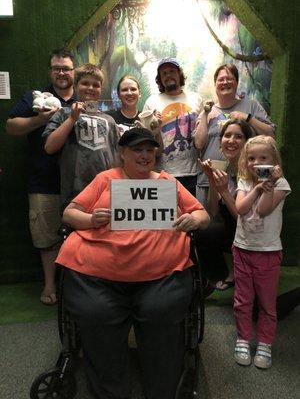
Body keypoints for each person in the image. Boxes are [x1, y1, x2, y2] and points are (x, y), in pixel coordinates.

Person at [56, 127, 210, 399]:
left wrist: (193, 220)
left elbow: (202, 214)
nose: (145, 155)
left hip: (161, 275)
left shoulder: (166, 182)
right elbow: (70, 213)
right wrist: (92, 220)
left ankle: (161, 389)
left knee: (160, 314)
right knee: (98, 315)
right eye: (137, 149)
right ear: (122, 154)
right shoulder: (106, 179)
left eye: (149, 150)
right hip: (96, 274)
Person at [5, 48, 76, 305]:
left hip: (79, 182)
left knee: (80, 234)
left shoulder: (83, 98)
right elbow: (11, 126)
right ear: (50, 71)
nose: (61, 73)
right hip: (43, 180)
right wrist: (39, 119)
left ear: (73, 71)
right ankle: (49, 284)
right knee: (47, 236)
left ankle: (78, 286)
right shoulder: (37, 98)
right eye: (57, 68)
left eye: (66, 68)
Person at [232, 135, 291, 369]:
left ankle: (265, 343)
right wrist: (257, 188)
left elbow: (265, 210)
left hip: (268, 252)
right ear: (245, 161)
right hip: (242, 249)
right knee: (243, 300)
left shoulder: (282, 184)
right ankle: (243, 339)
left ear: (274, 161)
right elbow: (240, 208)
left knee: (267, 303)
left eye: (263, 158)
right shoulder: (245, 182)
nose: (257, 163)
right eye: (251, 158)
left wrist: (268, 185)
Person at [194, 63, 275, 208]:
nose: (225, 82)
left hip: (244, 180)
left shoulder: (251, 106)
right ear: (215, 84)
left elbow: (271, 134)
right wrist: (205, 114)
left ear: (237, 83)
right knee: (209, 227)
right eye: (221, 79)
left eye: (229, 79)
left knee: (240, 221)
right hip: (209, 181)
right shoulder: (207, 111)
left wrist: (247, 118)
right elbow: (199, 144)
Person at [43, 63, 120, 211]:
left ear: (101, 89)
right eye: (85, 83)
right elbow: (49, 147)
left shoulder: (110, 120)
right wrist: (72, 119)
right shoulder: (63, 113)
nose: (90, 88)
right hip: (74, 192)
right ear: (76, 86)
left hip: (106, 192)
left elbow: (117, 157)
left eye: (95, 85)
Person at [197, 119, 255, 291]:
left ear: (247, 142)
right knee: (200, 232)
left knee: (230, 222)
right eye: (227, 136)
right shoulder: (225, 167)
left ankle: (245, 273)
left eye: (238, 136)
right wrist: (211, 179)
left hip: (254, 234)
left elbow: (245, 221)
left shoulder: (252, 172)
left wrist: (224, 192)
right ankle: (222, 274)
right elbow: (214, 211)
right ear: (220, 142)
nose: (231, 141)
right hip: (234, 231)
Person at [143, 58, 203, 196]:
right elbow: (146, 136)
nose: (168, 75)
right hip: (162, 172)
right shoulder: (152, 101)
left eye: (172, 71)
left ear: (179, 74)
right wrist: (153, 125)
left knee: (188, 215)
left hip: (190, 171)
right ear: (160, 79)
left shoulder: (196, 98)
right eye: (164, 73)